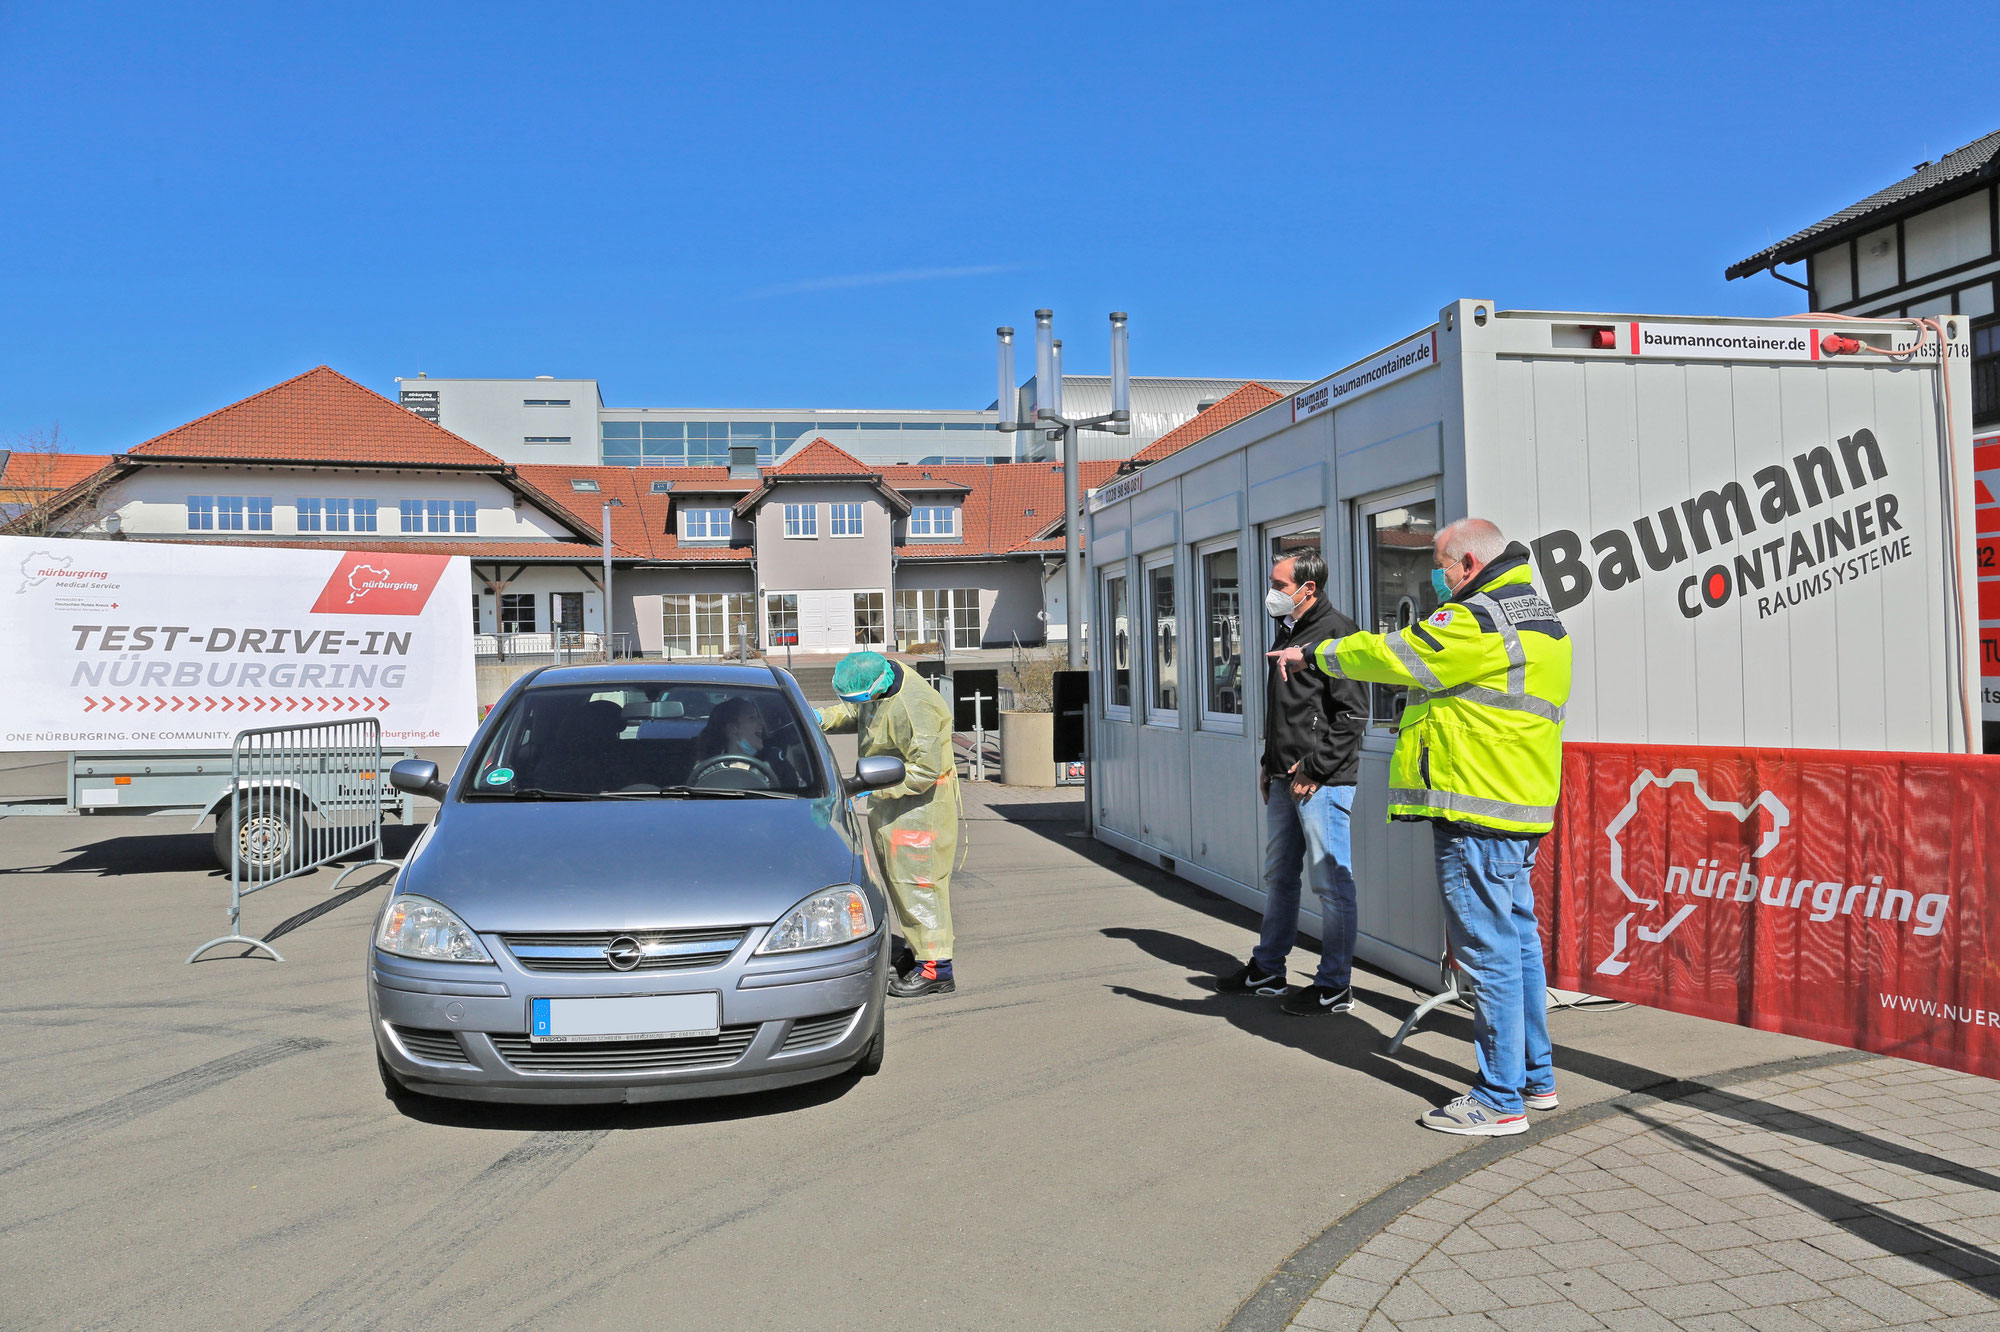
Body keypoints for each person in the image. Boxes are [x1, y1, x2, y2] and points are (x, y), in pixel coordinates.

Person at [1268, 518, 1571, 1137]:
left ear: (1465, 563)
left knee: (1486, 954)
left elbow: (1394, 654)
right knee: (1517, 945)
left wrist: (1318, 651)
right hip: (1517, 804)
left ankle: (1498, 1098)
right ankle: (1534, 1078)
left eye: (1437, 563)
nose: (1433, 576)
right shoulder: (1538, 613)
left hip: (1476, 809)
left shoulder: (1480, 617)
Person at [1215, 549, 1367, 1016]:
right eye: (1274, 583)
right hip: (1284, 775)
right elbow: (1287, 709)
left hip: (1321, 780)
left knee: (1330, 883)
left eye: (1280, 586)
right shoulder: (1290, 629)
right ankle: (1268, 970)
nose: (1272, 593)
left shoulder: (1339, 634)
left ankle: (1334, 985)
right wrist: (1270, 761)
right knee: (1280, 877)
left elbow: (1353, 716)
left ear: (1309, 589)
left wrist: (1313, 771)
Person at [815, 650, 962, 998]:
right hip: (894, 804)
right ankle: (920, 952)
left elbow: (924, 771)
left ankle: (937, 968)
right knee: (902, 886)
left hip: (918, 811)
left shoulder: (915, 706)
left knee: (919, 886)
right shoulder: (880, 681)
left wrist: (865, 786)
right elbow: (857, 711)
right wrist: (818, 717)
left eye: (863, 697)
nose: (861, 703)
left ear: (877, 688)